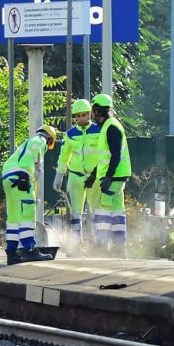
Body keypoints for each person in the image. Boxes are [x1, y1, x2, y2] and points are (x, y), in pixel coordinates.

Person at [1, 125, 57, 264]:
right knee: (27, 215)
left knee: (13, 218)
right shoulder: (39, 141)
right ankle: (30, 250)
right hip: (21, 178)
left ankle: (12, 253)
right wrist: (28, 173)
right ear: (50, 138)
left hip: (8, 177)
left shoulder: (26, 143)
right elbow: (36, 151)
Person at [85, 93, 131, 253]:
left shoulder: (111, 127)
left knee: (103, 208)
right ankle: (119, 247)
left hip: (114, 176)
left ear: (97, 111)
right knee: (118, 210)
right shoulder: (110, 125)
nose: (93, 115)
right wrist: (94, 175)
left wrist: (109, 177)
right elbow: (105, 157)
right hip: (117, 175)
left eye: (94, 111)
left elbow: (115, 155)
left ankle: (101, 245)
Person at [53, 99, 102, 246]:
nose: (80, 118)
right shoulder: (70, 134)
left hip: (95, 176)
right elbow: (64, 156)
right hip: (75, 175)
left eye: (83, 115)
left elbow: (105, 153)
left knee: (96, 210)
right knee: (76, 211)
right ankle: (77, 242)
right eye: (78, 116)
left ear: (89, 115)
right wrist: (59, 176)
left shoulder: (99, 131)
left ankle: (96, 242)